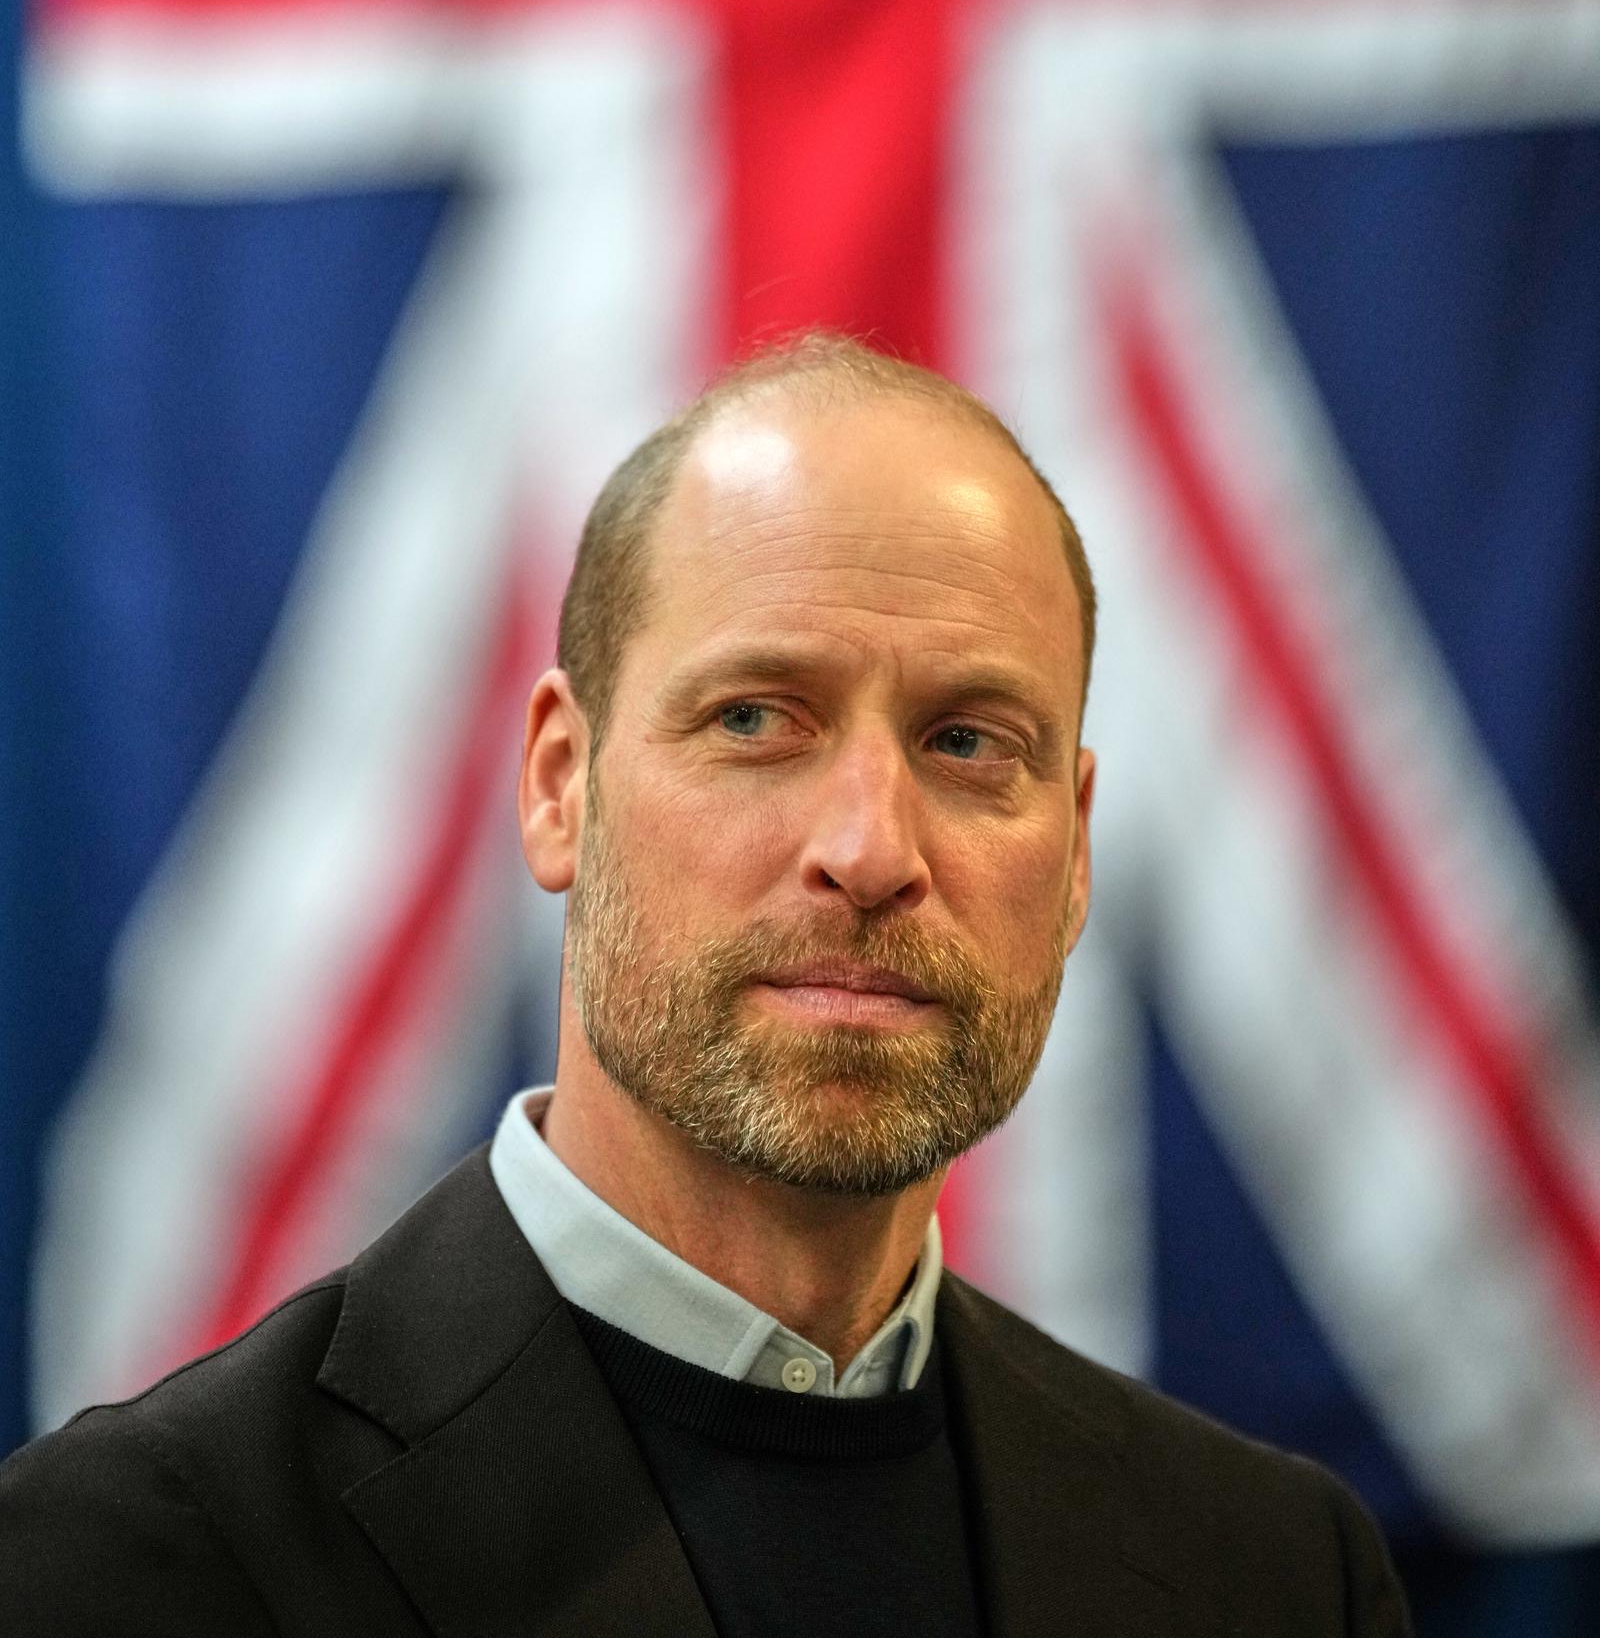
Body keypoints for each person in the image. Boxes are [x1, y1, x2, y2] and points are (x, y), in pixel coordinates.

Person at [0, 333, 1411, 1635]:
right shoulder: (126, 1566)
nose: (870, 851)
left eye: (971, 743)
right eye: (755, 719)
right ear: (563, 784)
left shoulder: (1281, 1576)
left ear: (1079, 847)